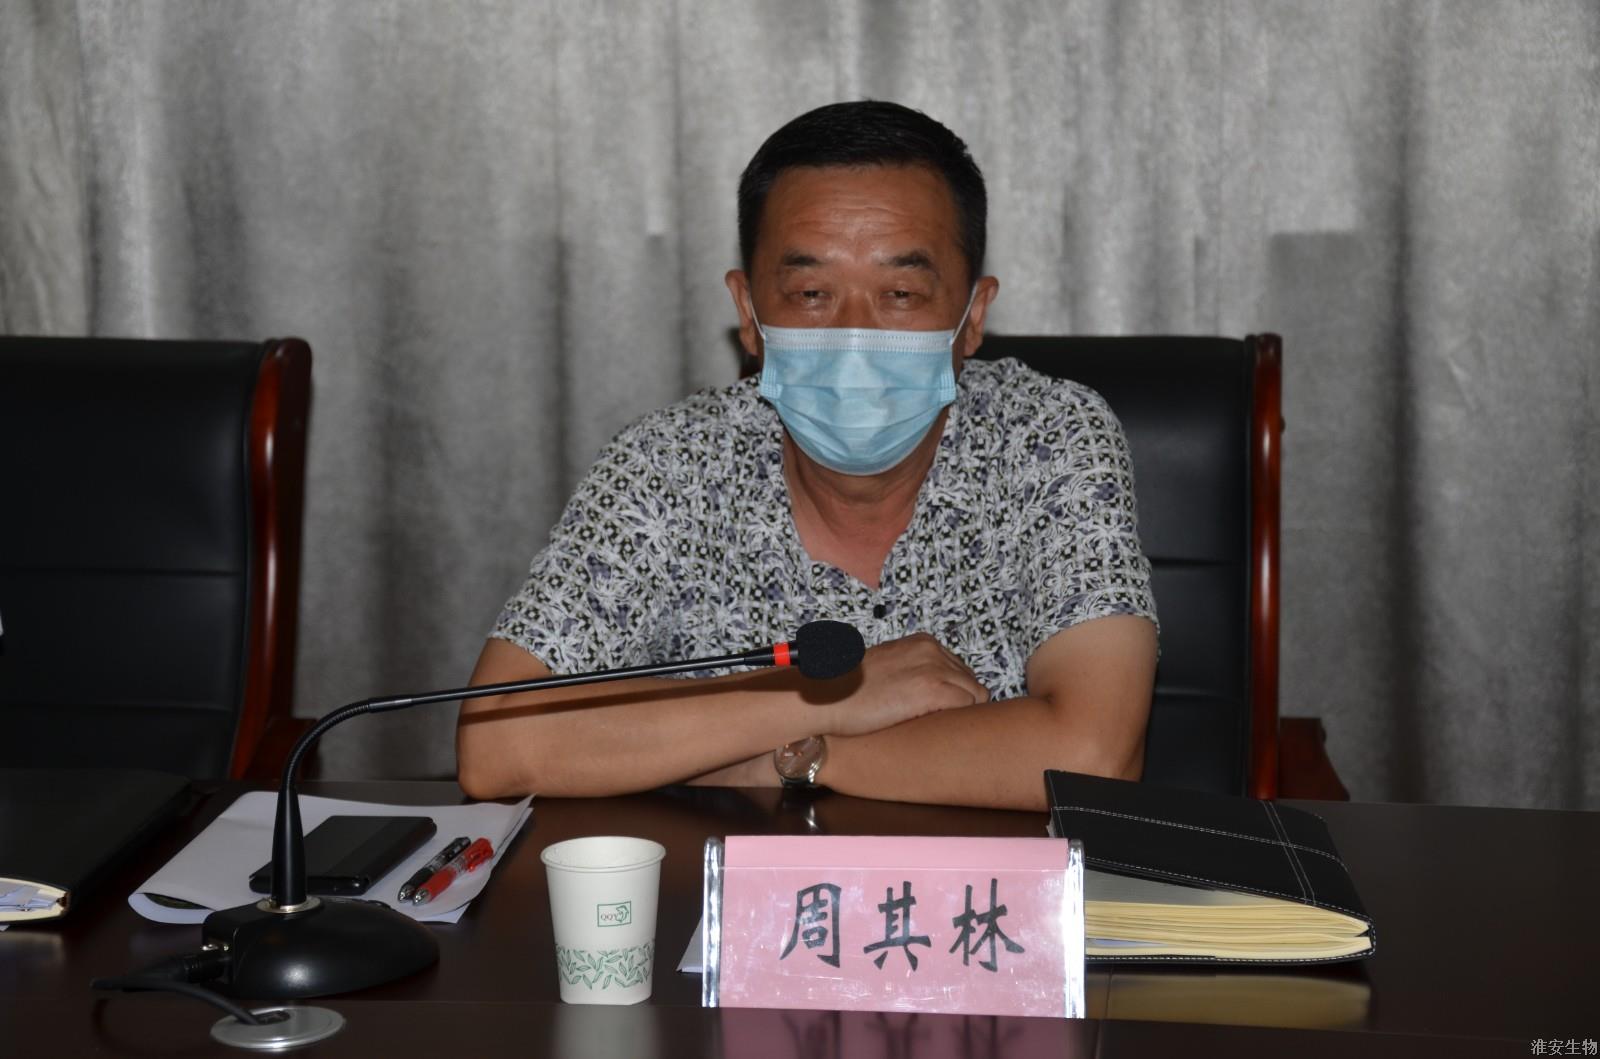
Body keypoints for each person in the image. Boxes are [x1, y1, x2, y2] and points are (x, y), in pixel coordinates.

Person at [457, 100, 1157, 811]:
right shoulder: (670, 462)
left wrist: (799, 759)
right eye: (811, 293)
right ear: (748, 313)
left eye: (901, 293)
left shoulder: (1047, 437)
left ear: (972, 316)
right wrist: (822, 696)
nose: (854, 338)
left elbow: (1092, 757)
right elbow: (498, 744)